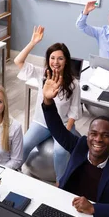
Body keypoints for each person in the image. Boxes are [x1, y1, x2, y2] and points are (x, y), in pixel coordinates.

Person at [41, 71, 109, 217]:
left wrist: (93, 208)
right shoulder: (81, 145)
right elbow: (57, 129)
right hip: (65, 207)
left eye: (106, 135)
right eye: (94, 134)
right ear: (88, 135)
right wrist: (47, 101)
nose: (98, 139)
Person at [15, 26, 81, 181]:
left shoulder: (74, 84)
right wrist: (32, 42)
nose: (55, 62)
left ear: (66, 61)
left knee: (60, 151)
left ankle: (61, 182)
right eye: (52, 58)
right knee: (23, 146)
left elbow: (74, 111)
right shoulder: (42, 74)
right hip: (42, 123)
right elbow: (18, 61)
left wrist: (64, 133)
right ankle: (14, 172)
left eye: (60, 58)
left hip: (63, 125)